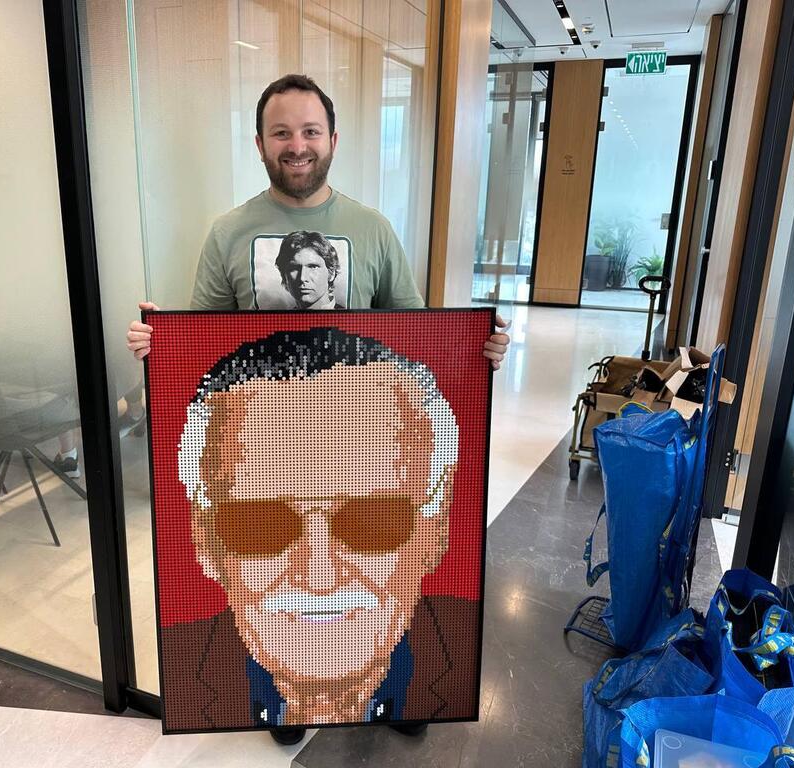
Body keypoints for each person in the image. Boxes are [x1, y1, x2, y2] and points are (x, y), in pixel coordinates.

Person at [126, 73, 509, 744]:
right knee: (275, 551)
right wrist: (156, 345)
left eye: (309, 131)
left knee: (375, 546)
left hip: (360, 445)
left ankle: (398, 693)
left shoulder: (373, 229)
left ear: (333, 140)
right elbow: (200, 343)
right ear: (260, 143)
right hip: (270, 452)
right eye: (281, 133)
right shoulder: (228, 233)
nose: (296, 145)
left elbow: (418, 333)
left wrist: (482, 351)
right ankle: (278, 701)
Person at [161, 328, 479, 733]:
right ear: (204, 542)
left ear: (436, 531)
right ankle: (278, 709)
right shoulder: (179, 669)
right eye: (261, 525)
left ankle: (403, 703)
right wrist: (158, 341)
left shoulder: (461, 646)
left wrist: (479, 343)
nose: (320, 577)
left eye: (372, 522)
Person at [275, 230, 341, 309]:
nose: (302, 278)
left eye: (313, 267)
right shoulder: (279, 320)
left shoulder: (348, 318)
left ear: (332, 273)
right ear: (284, 276)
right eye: (294, 268)